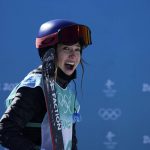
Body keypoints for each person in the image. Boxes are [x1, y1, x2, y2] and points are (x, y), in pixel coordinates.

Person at [0, 19, 92, 150]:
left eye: (77, 49)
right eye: (66, 48)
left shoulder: (67, 92)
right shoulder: (35, 87)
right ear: (50, 53)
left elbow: (70, 142)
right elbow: (5, 130)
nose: (73, 55)